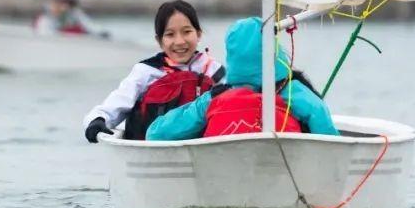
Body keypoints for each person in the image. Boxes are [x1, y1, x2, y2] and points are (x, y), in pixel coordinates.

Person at [145, 16, 339, 141]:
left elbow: (156, 133)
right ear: (274, 49)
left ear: (232, 54)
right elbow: (329, 138)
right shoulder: (294, 92)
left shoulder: (214, 98)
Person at [83, 0, 224, 143]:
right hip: (154, 145)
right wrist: (97, 120)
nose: (180, 41)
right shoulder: (146, 71)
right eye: (170, 34)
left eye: (187, 32)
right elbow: (117, 102)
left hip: (204, 145)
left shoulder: (214, 70)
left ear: (198, 34)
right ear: (159, 40)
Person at [34, 0, 106, 36]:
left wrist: (101, 33)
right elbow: (46, 34)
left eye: (66, 5)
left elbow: (90, 25)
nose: (63, 7)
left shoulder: (75, 13)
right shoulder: (45, 18)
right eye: (57, 4)